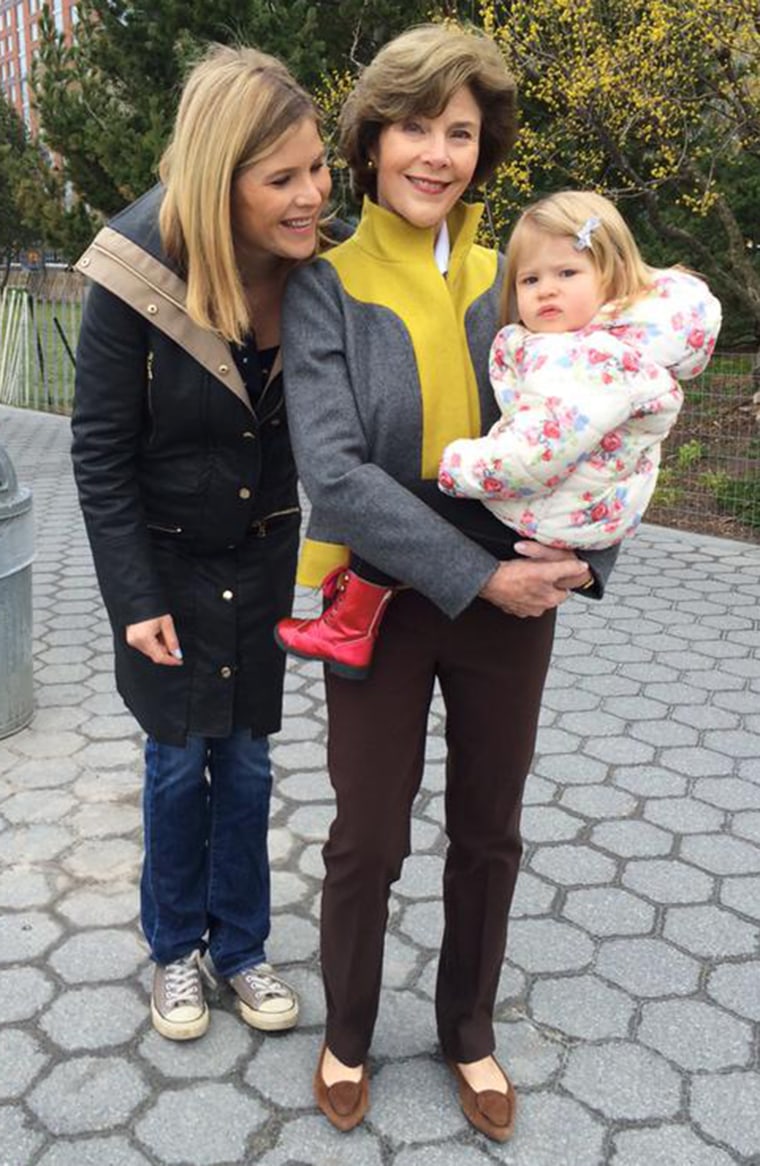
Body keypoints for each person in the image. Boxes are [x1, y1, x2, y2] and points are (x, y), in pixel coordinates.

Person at [279, 24, 618, 1140]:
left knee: (489, 825)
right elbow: (332, 474)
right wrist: (478, 576)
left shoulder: (517, 276)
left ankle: (468, 1030)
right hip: (373, 602)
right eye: (414, 126)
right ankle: (349, 1030)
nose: (436, 152)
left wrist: (583, 556)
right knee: (366, 836)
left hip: (511, 608)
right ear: (371, 140)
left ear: (485, 147)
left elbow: (603, 420)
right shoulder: (323, 285)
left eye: (460, 131)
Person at [71, 45, 332, 1041]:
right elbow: (97, 450)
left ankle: (242, 946)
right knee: (179, 764)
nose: (311, 194)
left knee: (253, 763)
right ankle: (175, 947)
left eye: (318, 168)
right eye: (283, 179)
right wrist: (134, 596)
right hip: (168, 565)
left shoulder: (323, 261)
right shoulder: (132, 271)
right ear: (222, 181)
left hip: (264, 555)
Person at [276, 190, 721, 677]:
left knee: (404, 495)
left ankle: (349, 626)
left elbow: (540, 448)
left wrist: (462, 467)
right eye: (532, 280)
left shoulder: (582, 351)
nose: (546, 289)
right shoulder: (608, 343)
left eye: (567, 274)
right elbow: (332, 471)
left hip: (536, 523)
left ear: (611, 277)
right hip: (558, 519)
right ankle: (352, 624)